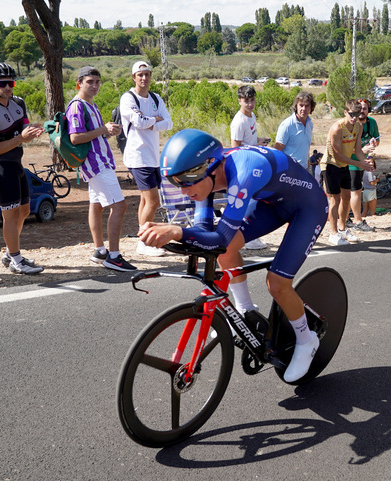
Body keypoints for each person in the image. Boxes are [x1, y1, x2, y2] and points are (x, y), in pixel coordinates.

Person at [138, 129, 329, 383]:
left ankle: (307, 339)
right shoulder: (206, 176)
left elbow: (219, 238)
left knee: (277, 284)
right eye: (176, 182)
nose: (184, 191)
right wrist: (177, 236)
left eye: (187, 180)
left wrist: (177, 231)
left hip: (308, 207)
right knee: (225, 252)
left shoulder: (244, 172)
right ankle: (246, 309)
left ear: (212, 167)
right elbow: (204, 232)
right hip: (273, 204)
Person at [0, 62, 46, 274]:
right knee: (11, 215)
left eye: (11, 82)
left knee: (24, 210)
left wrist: (34, 131)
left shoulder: (18, 102)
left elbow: (24, 131)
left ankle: (10, 253)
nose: (8, 87)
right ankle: (16, 259)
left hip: (16, 163)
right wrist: (20, 138)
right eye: (3, 83)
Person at [67, 65, 136, 272]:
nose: (95, 85)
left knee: (96, 205)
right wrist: (102, 130)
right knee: (120, 206)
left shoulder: (90, 105)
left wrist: (107, 132)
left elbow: (95, 134)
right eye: (90, 82)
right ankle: (114, 256)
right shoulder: (77, 106)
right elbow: (75, 138)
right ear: (79, 83)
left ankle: (100, 250)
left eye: (97, 82)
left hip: (100, 161)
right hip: (95, 163)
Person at [120, 61, 173, 257]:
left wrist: (150, 121)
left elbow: (169, 122)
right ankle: (144, 241)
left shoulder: (156, 98)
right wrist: (155, 120)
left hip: (153, 157)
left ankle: (143, 236)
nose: (144, 78)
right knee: (153, 201)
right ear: (134, 77)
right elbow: (137, 122)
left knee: (145, 200)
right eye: (140, 75)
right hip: (137, 156)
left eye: (147, 74)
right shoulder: (128, 98)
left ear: (151, 76)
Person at [322, 99, 374, 245]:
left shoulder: (358, 126)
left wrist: (365, 162)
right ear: (345, 112)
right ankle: (333, 234)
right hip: (330, 164)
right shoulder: (337, 128)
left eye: (357, 114)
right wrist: (358, 164)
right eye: (351, 114)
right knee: (335, 199)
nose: (354, 117)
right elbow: (337, 155)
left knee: (346, 197)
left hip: (344, 164)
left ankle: (343, 229)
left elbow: (357, 150)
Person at [231, 85, 268, 250]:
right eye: (246, 101)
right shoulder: (239, 121)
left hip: (253, 163)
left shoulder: (251, 116)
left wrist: (259, 141)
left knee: (252, 202)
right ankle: (246, 238)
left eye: (252, 100)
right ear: (240, 101)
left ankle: (249, 237)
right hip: (243, 167)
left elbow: (249, 140)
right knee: (245, 204)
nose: (250, 104)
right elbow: (235, 148)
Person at [352, 99, 379, 232]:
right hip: (351, 163)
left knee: (355, 192)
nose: (362, 111)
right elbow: (345, 148)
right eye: (360, 108)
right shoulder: (352, 123)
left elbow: (376, 140)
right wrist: (363, 150)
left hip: (363, 162)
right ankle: (357, 221)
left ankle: (349, 220)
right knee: (354, 192)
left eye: (365, 109)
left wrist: (373, 145)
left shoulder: (371, 123)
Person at [274, 90, 316, 168]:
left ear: (311, 108)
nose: (303, 109)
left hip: (304, 169)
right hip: (289, 170)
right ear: (296, 106)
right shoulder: (287, 125)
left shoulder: (309, 123)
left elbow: (305, 148)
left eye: (307, 106)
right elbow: (276, 151)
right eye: (301, 105)